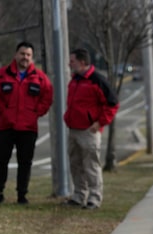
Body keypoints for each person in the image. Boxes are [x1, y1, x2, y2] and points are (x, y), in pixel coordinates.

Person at [0, 41, 54, 204]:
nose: (25, 57)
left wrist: (36, 113)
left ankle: (22, 194)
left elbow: (47, 96)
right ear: (16, 55)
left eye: (28, 55)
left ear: (32, 58)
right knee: (1, 160)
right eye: (22, 54)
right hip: (5, 126)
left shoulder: (40, 77)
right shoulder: (1, 74)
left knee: (25, 162)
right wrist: (2, 110)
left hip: (28, 128)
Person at [63, 48, 119, 209]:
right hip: (73, 129)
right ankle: (79, 196)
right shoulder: (75, 79)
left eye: (72, 61)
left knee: (91, 166)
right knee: (76, 165)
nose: (69, 63)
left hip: (89, 131)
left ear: (82, 62)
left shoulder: (97, 80)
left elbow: (113, 103)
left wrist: (100, 122)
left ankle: (94, 198)